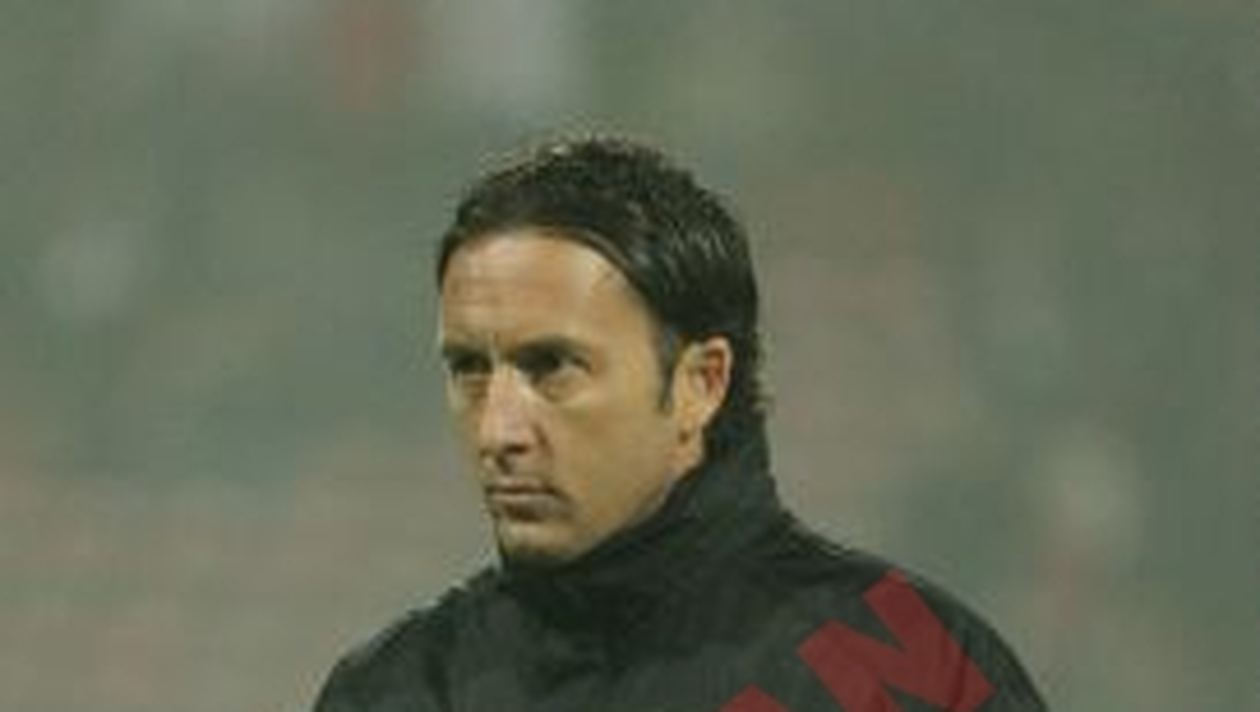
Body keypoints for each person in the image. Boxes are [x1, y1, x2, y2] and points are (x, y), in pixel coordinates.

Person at [310, 135, 1048, 711]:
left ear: (702, 383)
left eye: (553, 366)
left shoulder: (907, 670)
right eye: (470, 369)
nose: (497, 430)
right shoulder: (395, 692)